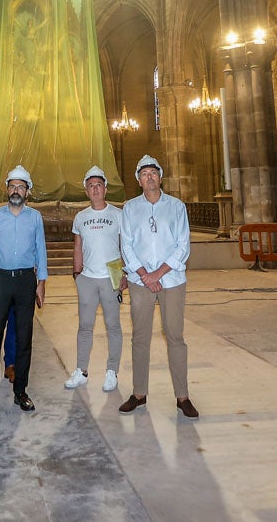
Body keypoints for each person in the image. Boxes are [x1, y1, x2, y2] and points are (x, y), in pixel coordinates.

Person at [118, 155, 198, 419]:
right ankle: (139, 393)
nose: (149, 177)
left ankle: (182, 396)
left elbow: (182, 246)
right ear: (138, 180)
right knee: (140, 337)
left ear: (160, 177)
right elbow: (127, 245)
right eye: (144, 174)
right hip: (140, 281)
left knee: (175, 336)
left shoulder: (176, 207)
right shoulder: (130, 208)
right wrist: (143, 274)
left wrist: (158, 273)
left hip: (171, 279)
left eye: (153, 172)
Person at [0, 164, 47, 412]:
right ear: (7, 190)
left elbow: (41, 251)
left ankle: (20, 391)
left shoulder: (35, 217)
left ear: (27, 192)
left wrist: (41, 283)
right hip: (0, 280)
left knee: (24, 336)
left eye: (21, 187)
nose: (16, 190)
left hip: (26, 280)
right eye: (12, 186)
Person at [65, 165, 124, 393]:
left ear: (105, 189)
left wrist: (124, 273)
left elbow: (124, 246)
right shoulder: (81, 217)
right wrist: (77, 274)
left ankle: (112, 372)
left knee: (113, 326)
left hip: (111, 274)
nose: (95, 189)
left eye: (99, 185)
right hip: (87, 277)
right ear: (87, 191)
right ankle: (81, 371)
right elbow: (77, 247)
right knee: (85, 327)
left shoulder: (118, 214)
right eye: (91, 186)